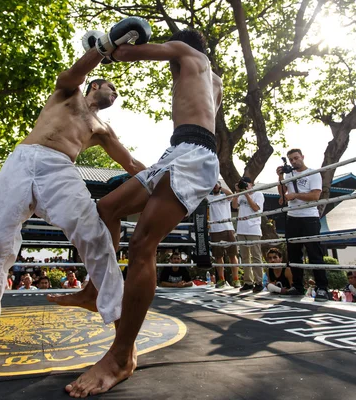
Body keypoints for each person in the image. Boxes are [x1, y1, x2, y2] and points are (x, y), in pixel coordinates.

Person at [0, 25, 148, 372]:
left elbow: (130, 164)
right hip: (22, 161)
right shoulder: (67, 93)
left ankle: (122, 342)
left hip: (59, 169)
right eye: (111, 87)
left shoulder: (101, 129)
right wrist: (107, 46)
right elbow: (75, 72)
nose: (114, 94)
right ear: (96, 84)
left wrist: (167, 178)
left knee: (96, 237)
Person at [53, 28, 222, 397]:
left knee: (144, 244)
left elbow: (129, 54)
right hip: (184, 150)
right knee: (108, 207)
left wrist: (106, 45)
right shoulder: (215, 81)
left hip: (192, 154)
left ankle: (121, 356)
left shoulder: (184, 51)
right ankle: (96, 288)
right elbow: (207, 125)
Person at [276, 148, 330, 301]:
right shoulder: (288, 174)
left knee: (315, 253)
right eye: (291, 159)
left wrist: (296, 195)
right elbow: (282, 194)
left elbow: (315, 195)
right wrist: (280, 176)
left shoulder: (313, 173)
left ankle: (322, 288)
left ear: (302, 157)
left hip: (309, 217)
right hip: (292, 217)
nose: (293, 161)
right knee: (293, 254)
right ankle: (298, 286)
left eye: (295, 158)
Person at [231, 177, 265, 293]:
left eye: (247, 183)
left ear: (252, 184)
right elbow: (234, 206)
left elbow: (256, 208)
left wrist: (246, 194)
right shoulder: (240, 195)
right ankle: (248, 282)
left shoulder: (258, 194)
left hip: (253, 229)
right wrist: (237, 192)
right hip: (241, 229)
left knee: (256, 256)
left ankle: (259, 282)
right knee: (245, 257)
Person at [207, 181, 240, 288]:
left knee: (232, 254)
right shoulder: (209, 198)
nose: (215, 187)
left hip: (228, 228)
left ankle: (236, 279)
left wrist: (220, 186)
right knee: (218, 256)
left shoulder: (225, 197)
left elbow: (231, 194)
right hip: (215, 229)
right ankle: (221, 279)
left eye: (217, 185)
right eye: (214, 185)